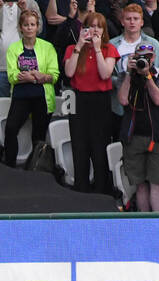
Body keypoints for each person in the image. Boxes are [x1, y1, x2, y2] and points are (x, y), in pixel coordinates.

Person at [64, 11, 118, 193]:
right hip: (77, 99)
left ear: (103, 30)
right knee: (79, 146)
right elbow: (69, 73)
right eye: (90, 26)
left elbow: (105, 74)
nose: (94, 30)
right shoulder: (72, 49)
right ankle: (81, 188)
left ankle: (101, 189)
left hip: (100, 100)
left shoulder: (109, 49)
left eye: (98, 26)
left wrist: (96, 48)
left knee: (99, 146)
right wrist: (80, 45)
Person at [118, 39, 159, 211]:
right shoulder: (126, 76)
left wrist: (148, 75)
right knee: (140, 184)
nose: (144, 60)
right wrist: (129, 73)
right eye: (141, 57)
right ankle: (143, 221)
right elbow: (123, 100)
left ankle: (157, 221)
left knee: (156, 183)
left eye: (147, 57)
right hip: (134, 136)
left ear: (154, 57)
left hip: (157, 137)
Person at [3, 9, 56, 167]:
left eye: (33, 24)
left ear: (37, 27)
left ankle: (36, 167)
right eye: (26, 25)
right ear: (20, 27)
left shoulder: (48, 47)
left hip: (42, 97)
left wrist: (30, 78)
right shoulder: (13, 49)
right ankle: (10, 165)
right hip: (21, 96)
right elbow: (12, 75)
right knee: (11, 129)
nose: (29, 28)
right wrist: (36, 77)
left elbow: (54, 75)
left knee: (38, 135)